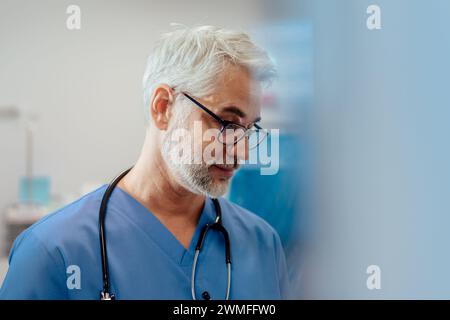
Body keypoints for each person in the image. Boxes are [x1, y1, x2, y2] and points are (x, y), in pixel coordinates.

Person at [0, 25, 289, 299]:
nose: (242, 153)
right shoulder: (53, 252)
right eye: (227, 123)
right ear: (163, 107)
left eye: (249, 130)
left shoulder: (262, 244)